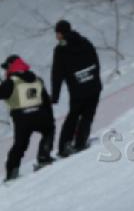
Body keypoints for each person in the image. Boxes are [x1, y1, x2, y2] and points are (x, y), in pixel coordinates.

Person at [51, 20, 102, 157]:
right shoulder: (84, 41)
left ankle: (64, 146)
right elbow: (96, 61)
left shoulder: (61, 50)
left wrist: (55, 96)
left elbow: (57, 74)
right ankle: (80, 142)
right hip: (93, 86)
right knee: (87, 116)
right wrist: (95, 79)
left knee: (73, 117)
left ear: (61, 33)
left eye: (57, 33)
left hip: (78, 90)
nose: (56, 36)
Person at [0, 55, 55, 181]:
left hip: (21, 118)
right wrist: (50, 118)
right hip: (40, 114)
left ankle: (12, 172)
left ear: (11, 67)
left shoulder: (11, 81)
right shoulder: (36, 79)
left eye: (6, 68)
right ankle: (44, 157)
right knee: (49, 131)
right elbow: (46, 101)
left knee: (20, 145)